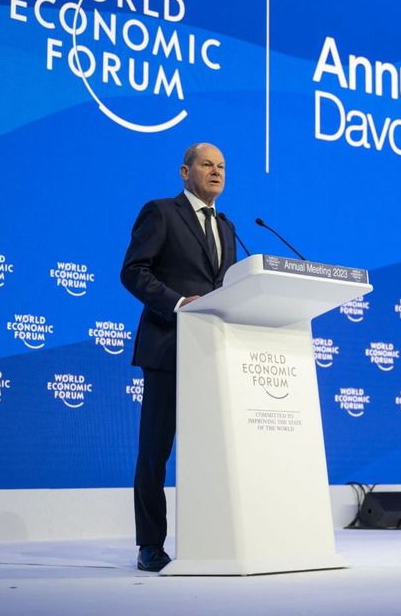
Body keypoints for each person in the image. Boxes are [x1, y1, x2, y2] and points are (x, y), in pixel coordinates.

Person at [120, 143, 239, 571]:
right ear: (184, 171)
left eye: (222, 166)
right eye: (207, 164)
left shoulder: (227, 226)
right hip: (169, 346)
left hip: (212, 350)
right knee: (155, 453)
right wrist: (176, 303)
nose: (216, 171)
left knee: (214, 450)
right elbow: (133, 271)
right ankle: (149, 544)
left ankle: (214, 536)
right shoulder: (161, 212)